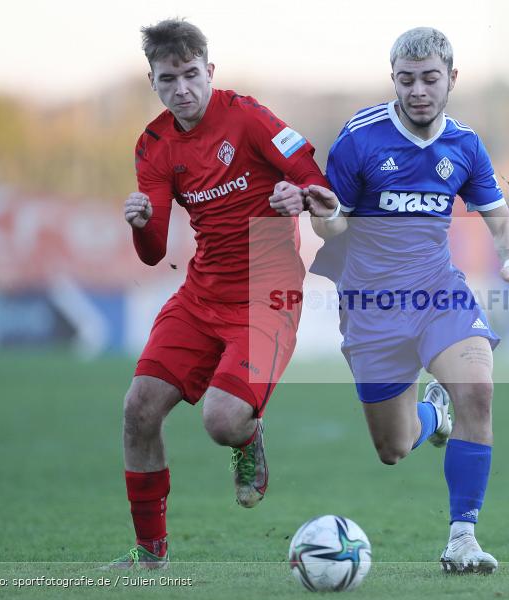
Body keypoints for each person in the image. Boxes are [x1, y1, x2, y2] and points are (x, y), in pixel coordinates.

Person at [306, 27, 509, 574]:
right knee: (393, 448)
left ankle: (462, 539)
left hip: (438, 292)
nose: (417, 90)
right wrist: (322, 211)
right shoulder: (359, 139)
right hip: (370, 307)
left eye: (429, 79)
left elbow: (506, 230)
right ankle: (431, 417)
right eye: (406, 79)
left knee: (478, 390)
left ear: (451, 80)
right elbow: (333, 229)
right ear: (393, 79)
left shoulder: (464, 145)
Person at [108, 18, 328, 569]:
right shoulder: (154, 145)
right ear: (152, 82)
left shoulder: (248, 117)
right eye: (167, 79)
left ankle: (247, 436)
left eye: (190, 74)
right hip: (201, 294)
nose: (181, 88)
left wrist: (297, 194)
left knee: (222, 422)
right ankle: (149, 554)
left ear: (210, 71)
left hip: (268, 292)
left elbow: (313, 177)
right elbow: (155, 252)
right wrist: (140, 223)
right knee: (138, 409)